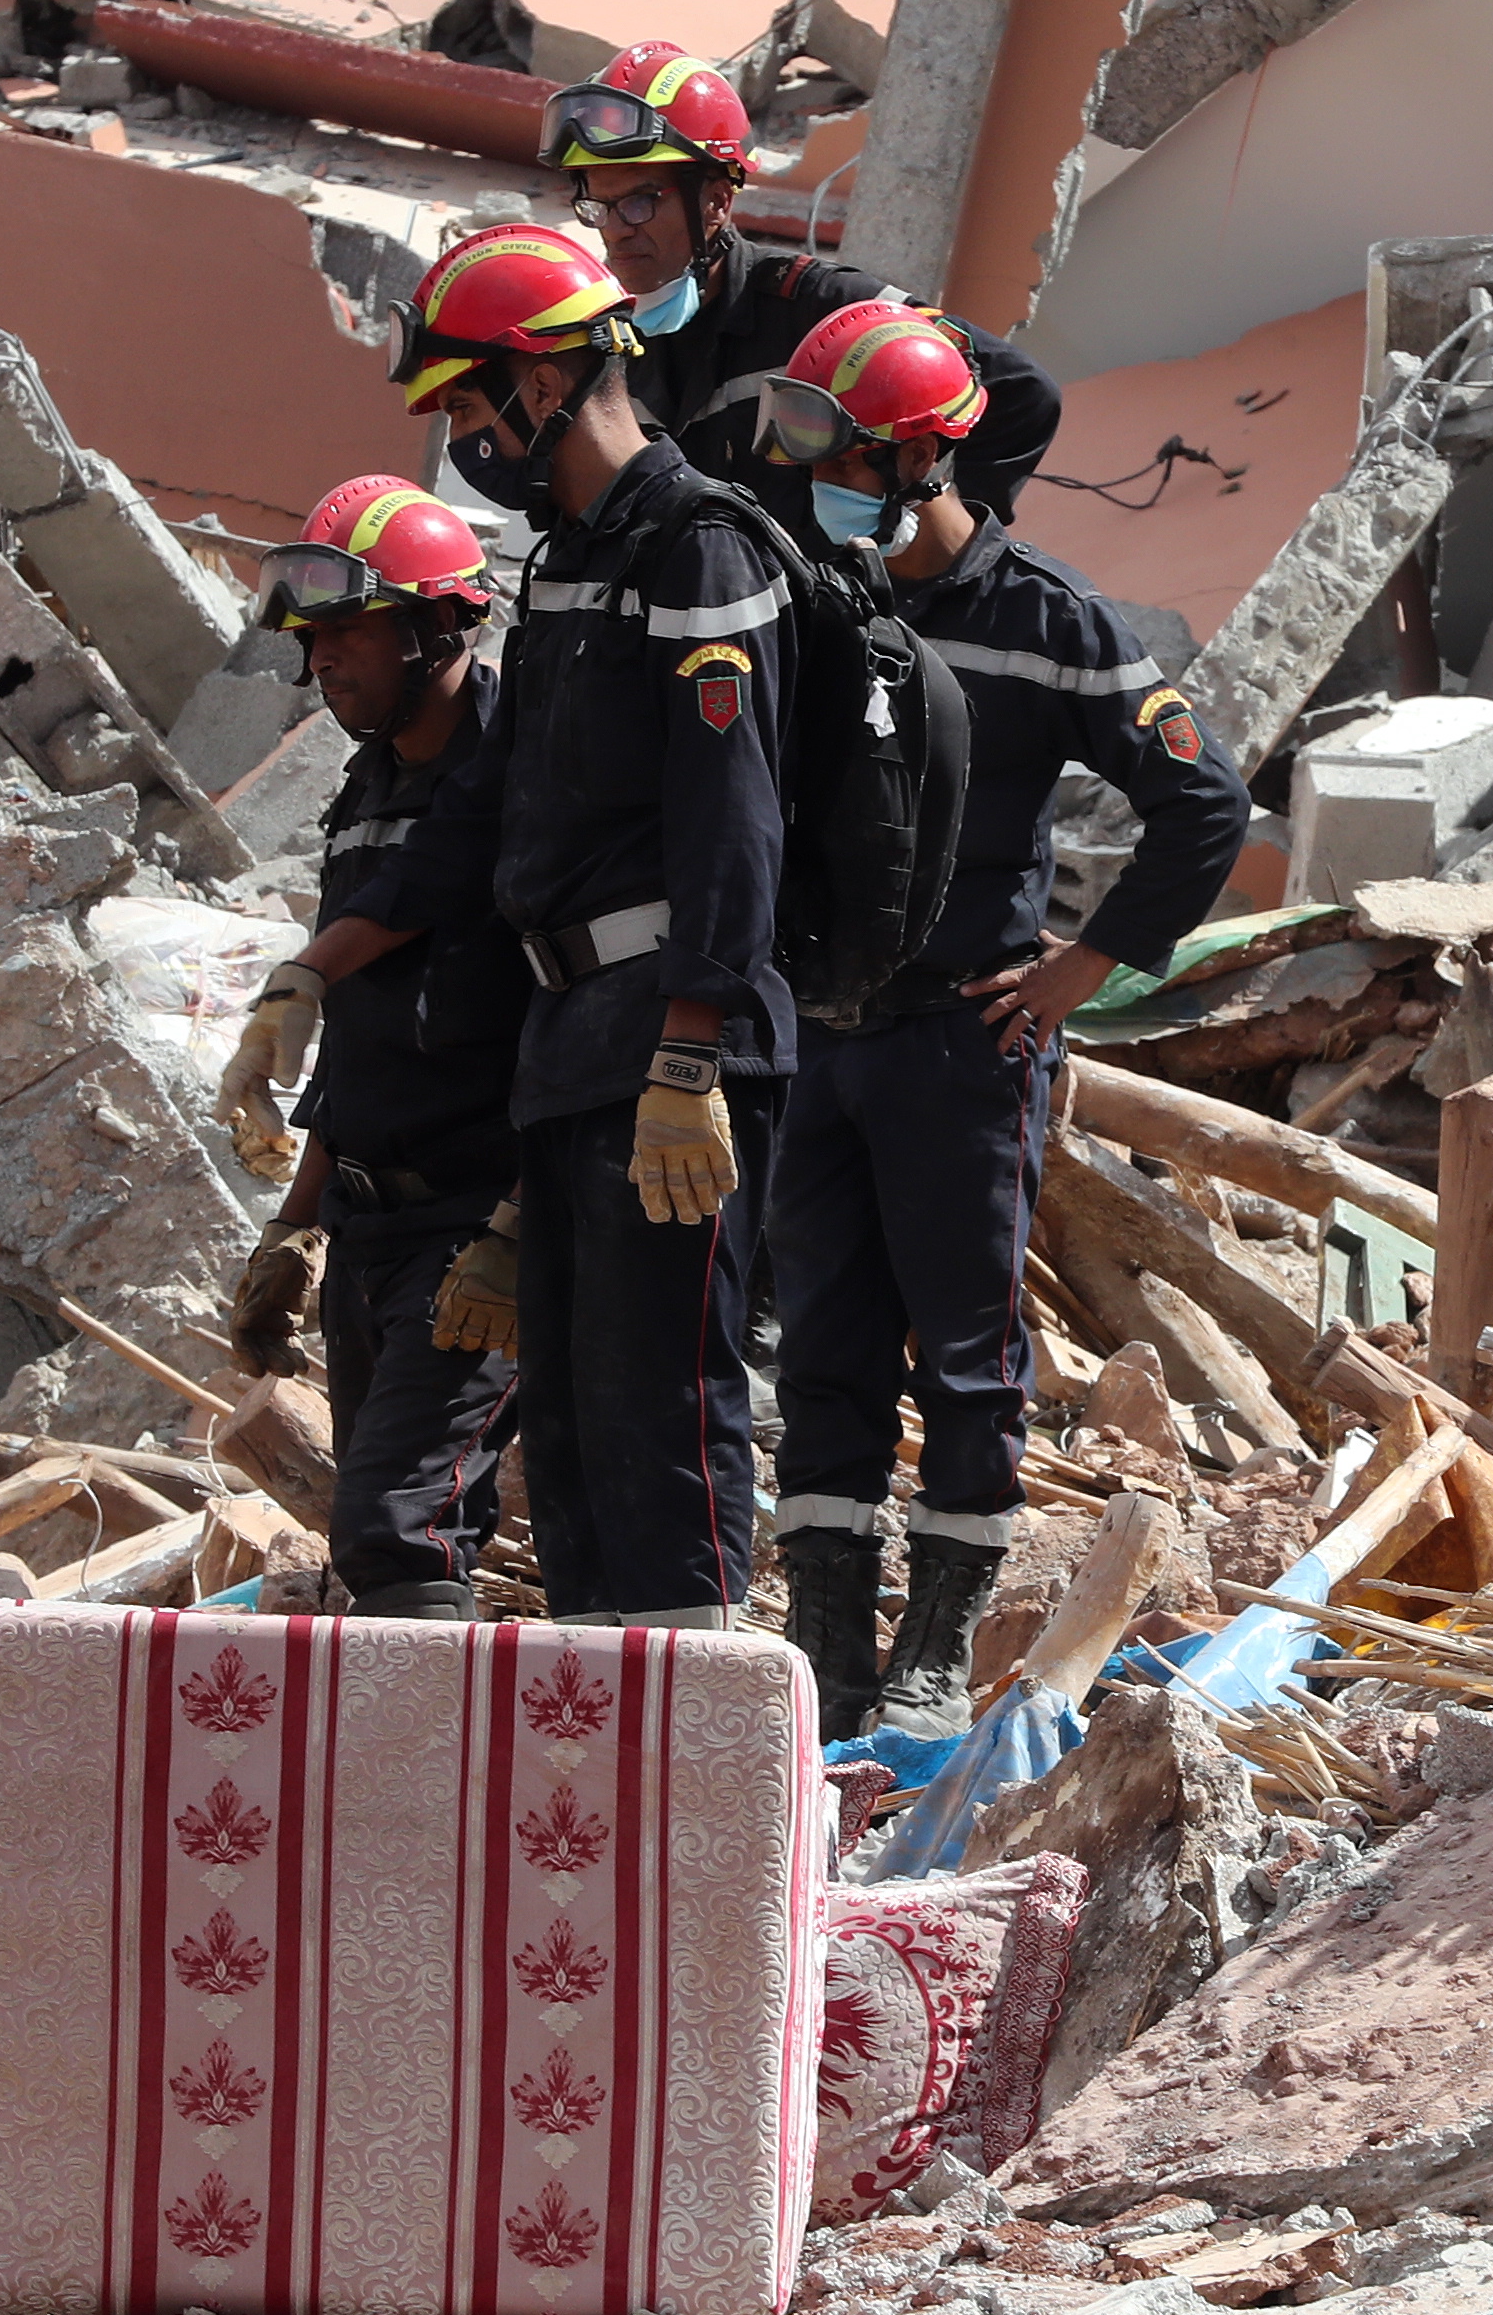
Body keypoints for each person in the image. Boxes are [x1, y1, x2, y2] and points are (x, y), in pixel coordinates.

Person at [751, 306, 1250, 1741]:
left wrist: (1082, 970)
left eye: (840, 454)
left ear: (917, 460)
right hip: (821, 1037)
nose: (814, 481)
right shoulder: (811, 597)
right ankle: (831, 1636)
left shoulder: (1048, 619)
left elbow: (1202, 802)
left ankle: (937, 1639)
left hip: (962, 1050)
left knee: (965, 1349)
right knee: (827, 1341)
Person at [383, 220, 796, 1629]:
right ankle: (605, 1787)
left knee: (664, 1423)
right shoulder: (564, 562)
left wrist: (691, 1059)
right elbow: (510, 836)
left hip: (668, 1038)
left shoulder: (700, 550)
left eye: (463, 399)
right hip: (572, 1043)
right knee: (566, 1434)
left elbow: (731, 824)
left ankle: (699, 1777)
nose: (458, 435)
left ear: (543, 383)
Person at [213, 475, 522, 1620]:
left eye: (347, 632)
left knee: (399, 1526)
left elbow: (581, 1021)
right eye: (312, 640)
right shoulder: (370, 783)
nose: (324, 662)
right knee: (389, 1533)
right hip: (374, 1223)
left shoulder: (520, 773)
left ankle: (422, 1779)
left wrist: (522, 1223)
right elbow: (363, 1034)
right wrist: (297, 1220)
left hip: (478, 1224)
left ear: (437, 622)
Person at [545, 39, 1067, 558]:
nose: (616, 231)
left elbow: (1022, 395)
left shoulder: (823, 308)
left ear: (716, 202)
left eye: (639, 201)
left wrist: (928, 553)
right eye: (599, 206)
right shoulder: (612, 343)